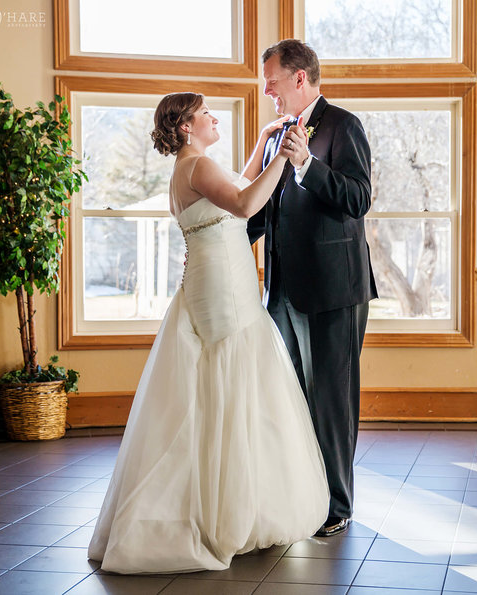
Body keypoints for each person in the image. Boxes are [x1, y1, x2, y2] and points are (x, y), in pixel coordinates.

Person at [88, 92, 329, 574]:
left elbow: (232, 184)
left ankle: (221, 502)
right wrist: (284, 155)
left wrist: (263, 142)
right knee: (233, 381)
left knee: (221, 384)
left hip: (215, 279)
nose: (214, 117)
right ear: (184, 126)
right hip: (223, 288)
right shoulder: (196, 167)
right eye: (204, 113)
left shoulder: (193, 166)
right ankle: (225, 513)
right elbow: (243, 202)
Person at [248, 39, 377, 537]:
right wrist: (223, 242)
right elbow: (262, 209)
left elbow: (358, 198)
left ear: (299, 78)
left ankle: (337, 507)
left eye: (273, 81)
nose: (267, 91)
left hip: (332, 291)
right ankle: (301, 498)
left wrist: (307, 165)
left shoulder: (344, 126)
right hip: (279, 291)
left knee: (331, 402)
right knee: (291, 399)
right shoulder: (276, 132)